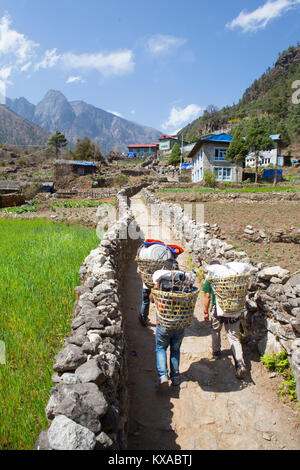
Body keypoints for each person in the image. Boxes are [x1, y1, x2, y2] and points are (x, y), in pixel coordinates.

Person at [150, 259, 196, 390]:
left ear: (165, 268)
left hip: (163, 323)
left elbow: (152, 299)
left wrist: (155, 287)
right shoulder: (184, 284)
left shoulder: (161, 281)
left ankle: (163, 376)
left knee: (161, 348)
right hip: (179, 323)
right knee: (175, 349)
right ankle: (175, 377)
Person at [203, 260, 247, 380]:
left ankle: (216, 351)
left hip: (219, 310)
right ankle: (240, 363)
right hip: (234, 311)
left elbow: (207, 296)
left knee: (215, 330)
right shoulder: (232, 278)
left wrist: (206, 311)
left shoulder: (212, 277)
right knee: (233, 337)